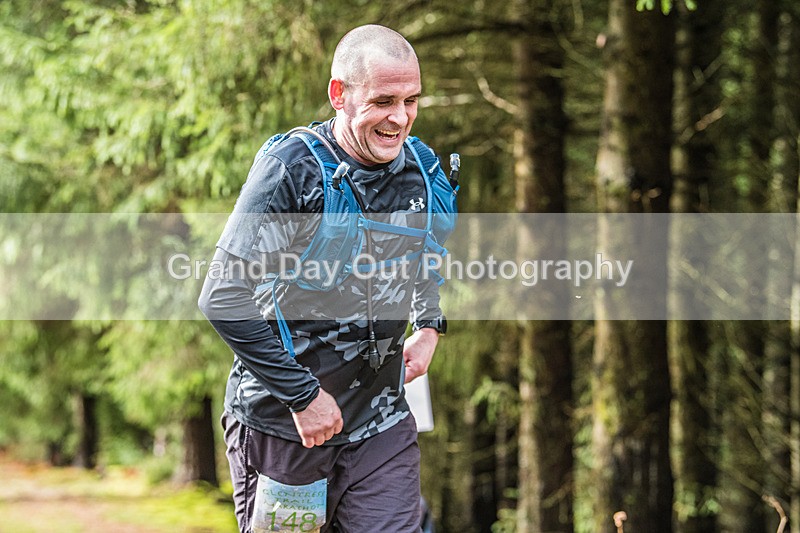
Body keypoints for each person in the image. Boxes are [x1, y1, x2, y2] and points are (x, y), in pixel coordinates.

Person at [198, 24, 450, 533]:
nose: (399, 118)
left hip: (380, 426)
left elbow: (425, 250)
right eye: (383, 100)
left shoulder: (420, 168)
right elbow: (222, 295)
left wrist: (428, 324)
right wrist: (303, 398)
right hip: (286, 428)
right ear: (339, 94)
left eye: (411, 100)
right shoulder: (292, 170)